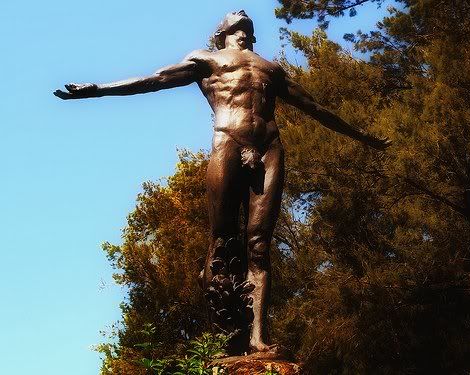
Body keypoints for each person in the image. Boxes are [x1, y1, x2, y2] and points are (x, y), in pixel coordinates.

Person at [54, 10, 391, 354]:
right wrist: (97, 90)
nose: (243, 31)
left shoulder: (271, 69)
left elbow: (314, 106)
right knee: (221, 240)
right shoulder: (207, 61)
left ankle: (258, 338)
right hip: (228, 140)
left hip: (269, 149)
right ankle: (220, 340)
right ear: (222, 35)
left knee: (259, 246)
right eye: (236, 27)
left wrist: (361, 136)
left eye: (247, 27)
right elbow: (154, 80)